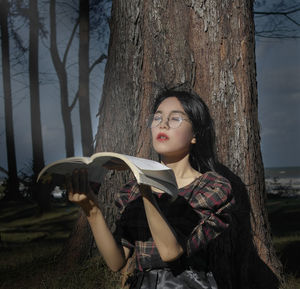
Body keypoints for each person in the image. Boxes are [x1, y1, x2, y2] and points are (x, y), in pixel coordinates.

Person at [67, 89, 235, 289]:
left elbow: (170, 252)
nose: (162, 124)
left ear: (194, 135)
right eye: (157, 117)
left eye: (175, 119)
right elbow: (117, 262)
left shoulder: (212, 188)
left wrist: (145, 185)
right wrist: (92, 211)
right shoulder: (131, 191)